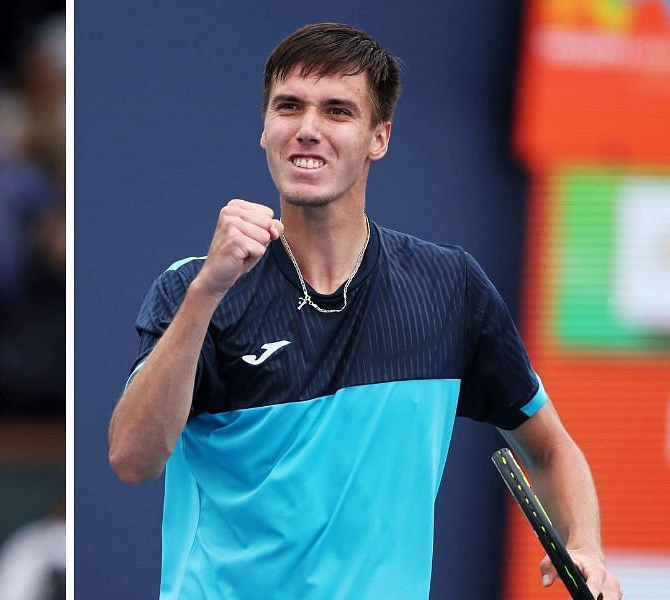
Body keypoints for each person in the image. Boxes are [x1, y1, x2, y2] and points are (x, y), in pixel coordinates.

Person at [107, 23, 622, 599]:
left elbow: (550, 448)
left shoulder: (450, 288)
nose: (307, 130)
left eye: (337, 112)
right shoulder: (191, 289)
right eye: (289, 107)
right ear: (264, 129)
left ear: (379, 137)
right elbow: (133, 458)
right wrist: (208, 292)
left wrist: (585, 545)